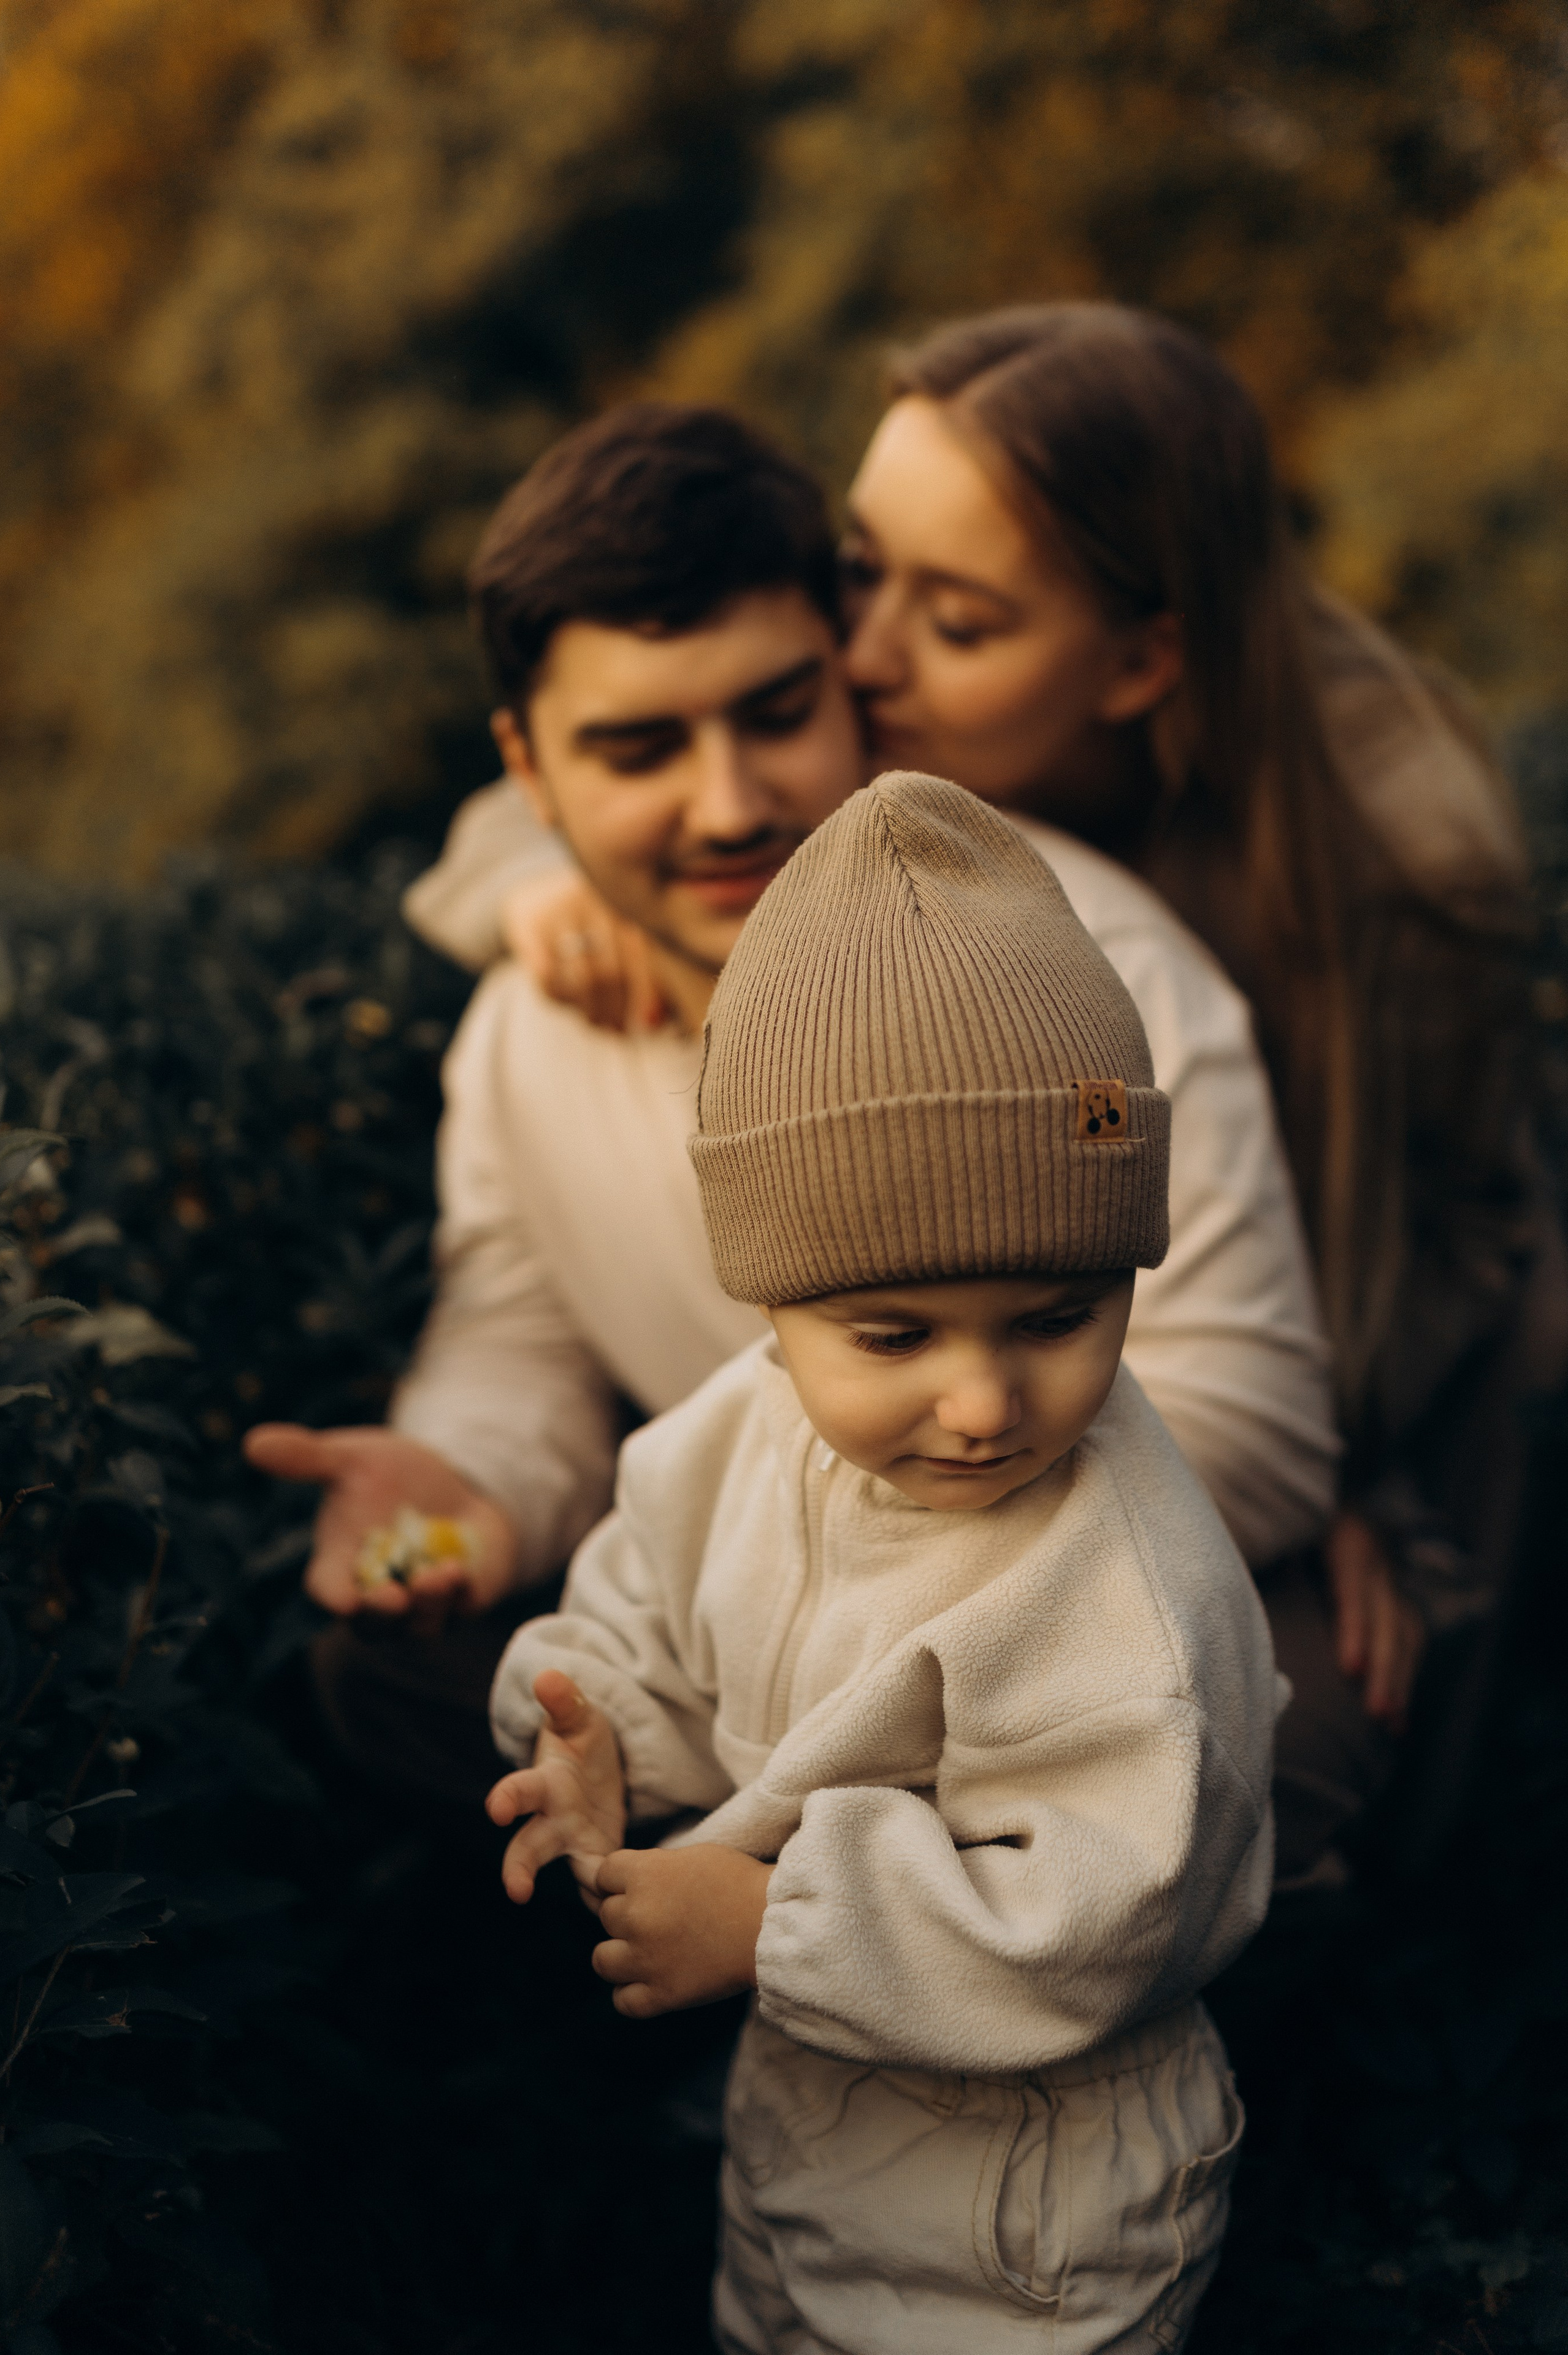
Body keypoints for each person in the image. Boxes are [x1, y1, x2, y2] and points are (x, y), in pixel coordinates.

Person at [455, 308, 1566, 1877]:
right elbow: (609, 758)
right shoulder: (875, 830)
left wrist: (1362, 1473)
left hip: (1333, 1369)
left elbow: (1415, 1233)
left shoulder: (1383, 872)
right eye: (859, 572)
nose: (861, 655)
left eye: (958, 620)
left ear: (1139, 661)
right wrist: (522, 875)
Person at [246, 397, 1334, 1829]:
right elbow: (517, 1342)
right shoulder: (526, 1027)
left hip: (1064, 1634)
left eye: (773, 715)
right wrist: (462, 1490)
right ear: (528, 771)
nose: (727, 805)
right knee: (409, 1687)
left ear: (845, 682)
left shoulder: (1077, 966)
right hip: (747, 1627)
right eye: (638, 750)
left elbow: (1253, 1416)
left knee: (1256, 1769)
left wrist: (859, 1607)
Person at [486, 773, 1278, 2354]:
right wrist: (592, 1734)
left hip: (1039, 2206)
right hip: (807, 2121)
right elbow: (643, 1598)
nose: (983, 1403)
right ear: (771, 1307)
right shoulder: (737, 1436)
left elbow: (1106, 1906)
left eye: (1056, 1318)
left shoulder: (1130, 1589)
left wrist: (770, 1921)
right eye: (892, 1336)